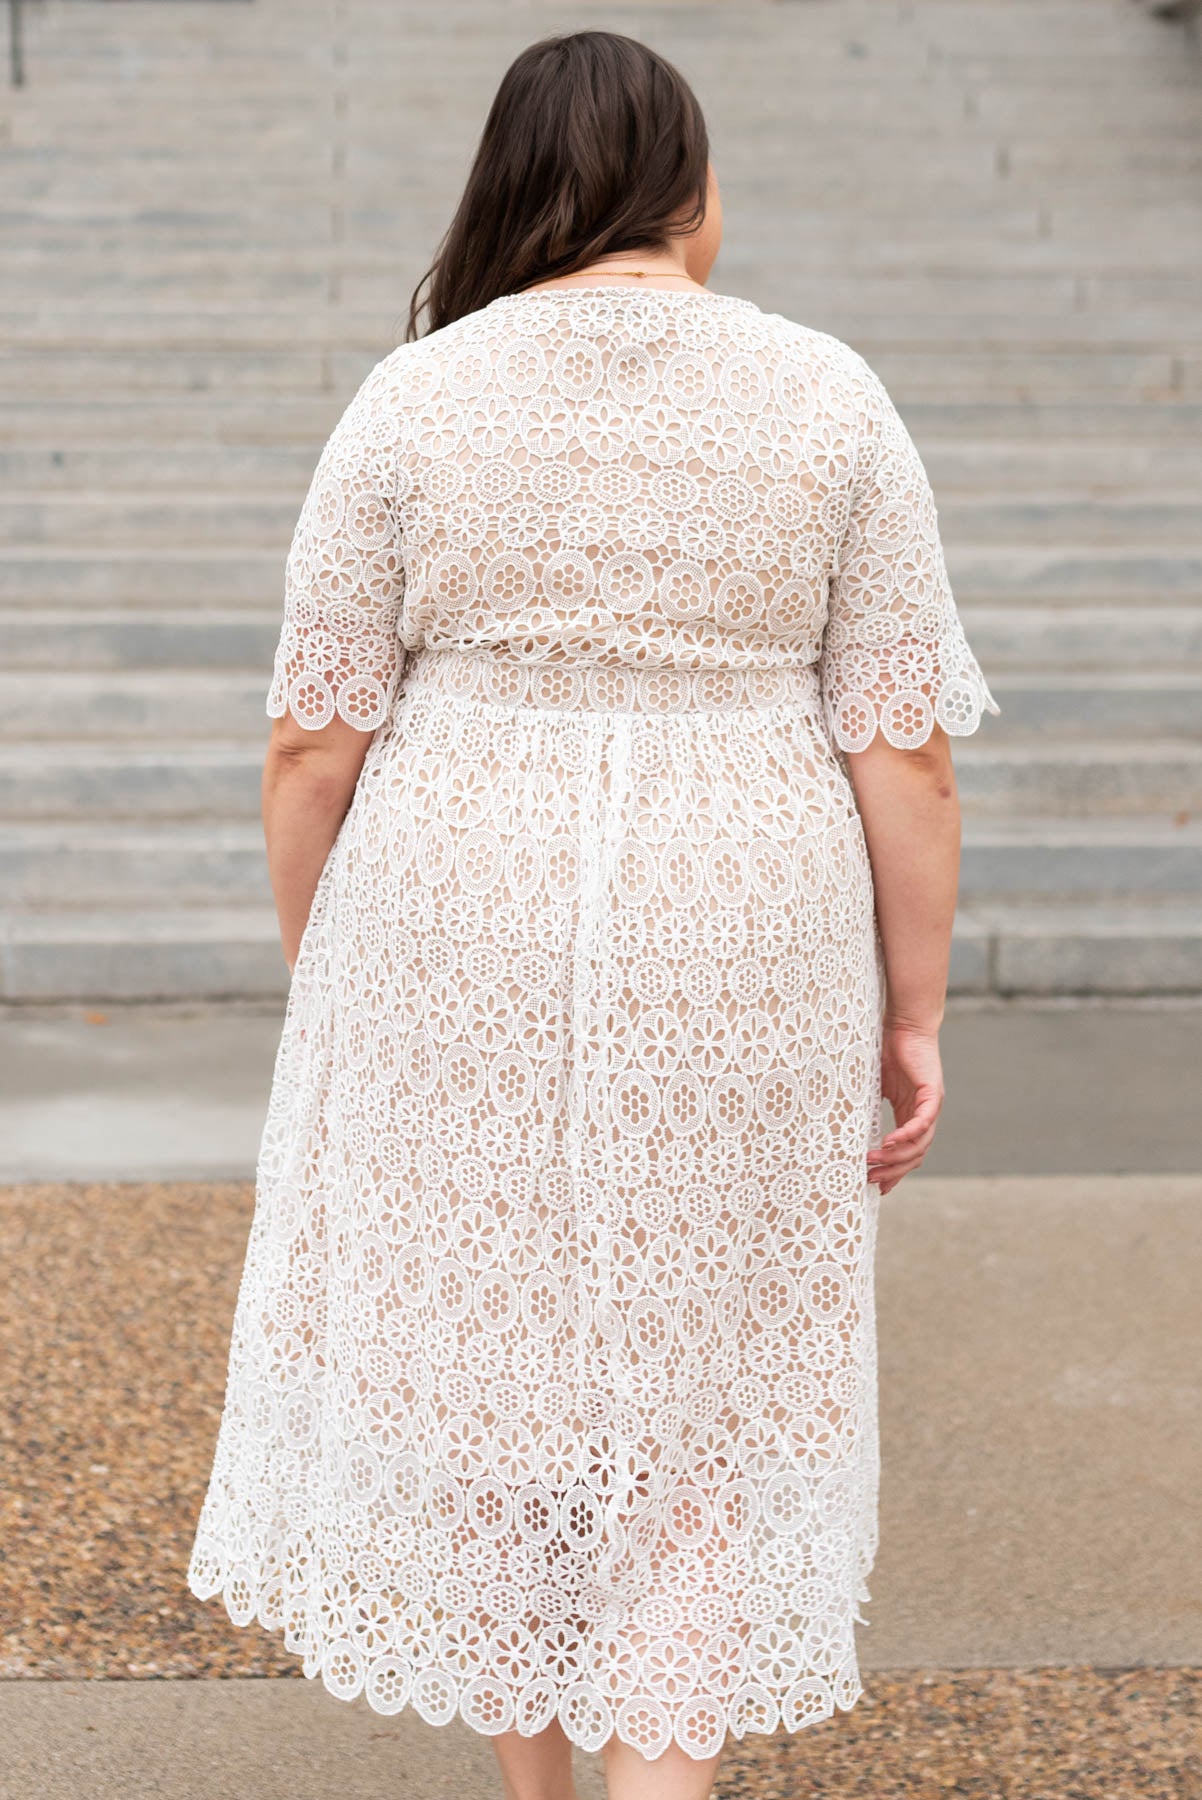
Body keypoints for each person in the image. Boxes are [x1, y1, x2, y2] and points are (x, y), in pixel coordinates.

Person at [187, 27, 1000, 1800]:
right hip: (744, 911)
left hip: (452, 906)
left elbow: (312, 740)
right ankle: (665, 1778)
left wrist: (329, 971)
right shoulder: (825, 394)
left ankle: (542, 1788)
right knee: (705, 1378)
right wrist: (912, 1007)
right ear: (691, 191)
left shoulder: (417, 395)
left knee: (494, 1376)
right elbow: (907, 748)